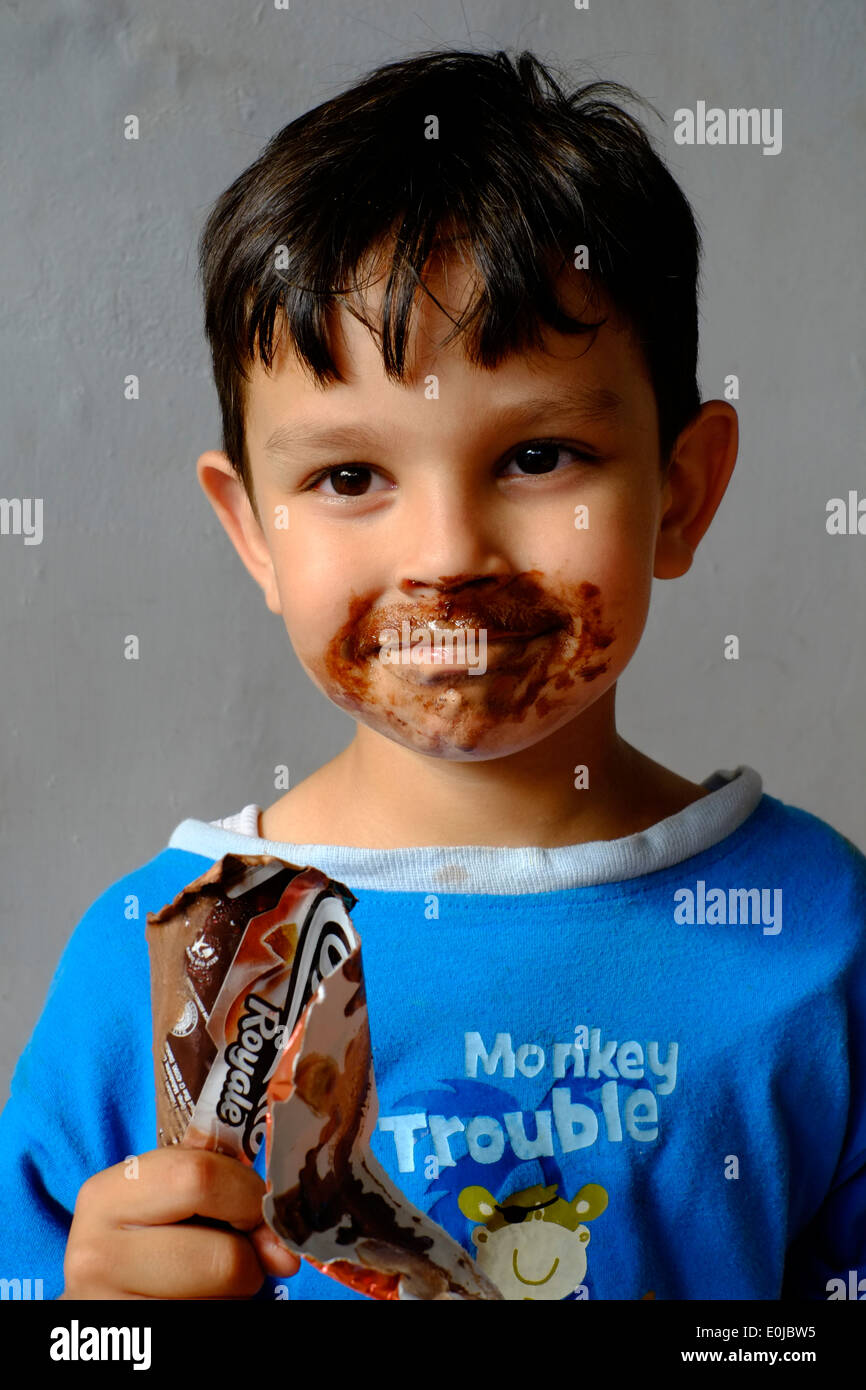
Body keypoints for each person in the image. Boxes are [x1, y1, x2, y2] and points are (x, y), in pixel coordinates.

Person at [1, 48, 864, 1302]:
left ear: (678, 494)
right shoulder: (150, 972)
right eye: (348, 478)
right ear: (253, 532)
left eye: (538, 455)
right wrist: (97, 1334)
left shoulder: (819, 935)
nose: (446, 558)